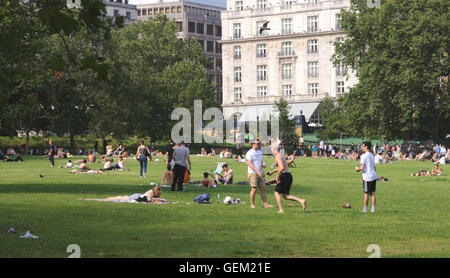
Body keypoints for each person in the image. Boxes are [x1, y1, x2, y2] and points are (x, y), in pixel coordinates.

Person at [267, 142, 306, 213]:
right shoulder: (281, 155)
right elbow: (284, 165)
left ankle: (281, 210)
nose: (271, 150)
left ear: (275, 149)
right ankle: (301, 201)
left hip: (284, 176)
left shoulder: (278, 156)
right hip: (288, 175)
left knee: (276, 193)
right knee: (285, 196)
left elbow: (281, 167)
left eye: (271, 149)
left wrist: (277, 176)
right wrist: (272, 172)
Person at [246, 140, 274, 209]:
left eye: (259, 144)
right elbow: (249, 163)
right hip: (252, 173)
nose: (259, 145)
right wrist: (257, 171)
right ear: (253, 144)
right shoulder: (249, 153)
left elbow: (259, 162)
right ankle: (252, 204)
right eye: (257, 144)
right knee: (254, 189)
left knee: (263, 188)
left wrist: (262, 166)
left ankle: (266, 204)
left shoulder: (259, 152)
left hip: (260, 172)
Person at [355, 141, 377, 213]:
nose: (362, 147)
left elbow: (361, 167)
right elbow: (374, 167)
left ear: (366, 147)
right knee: (372, 193)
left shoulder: (364, 156)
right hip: (373, 175)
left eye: (363, 146)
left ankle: (365, 209)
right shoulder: (372, 155)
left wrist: (356, 169)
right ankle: (373, 209)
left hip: (367, 177)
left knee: (366, 193)